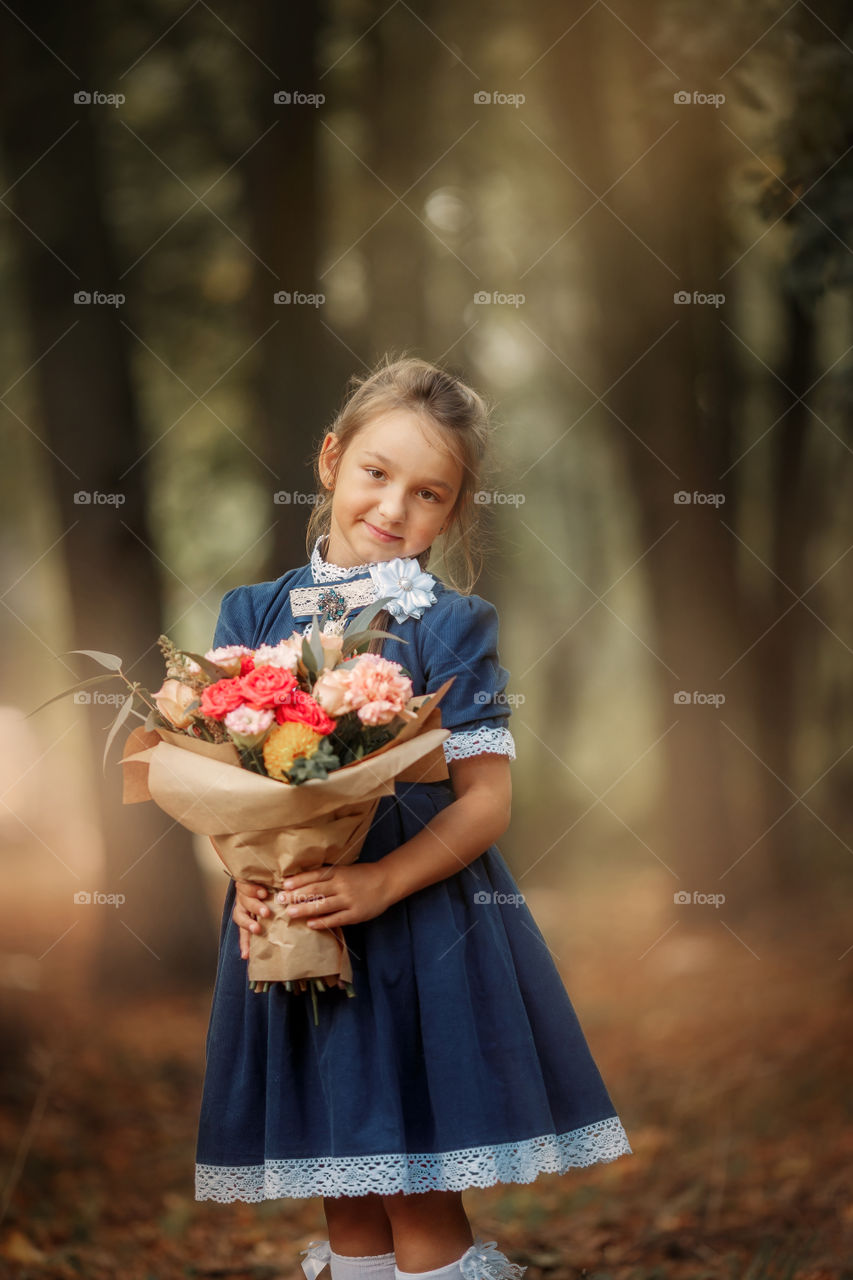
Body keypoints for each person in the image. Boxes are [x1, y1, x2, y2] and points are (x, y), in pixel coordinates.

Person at [195, 354, 633, 1280]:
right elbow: (230, 777)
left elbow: (486, 802)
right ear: (329, 461)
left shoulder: (451, 624)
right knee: (345, 1185)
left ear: (454, 511)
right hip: (298, 929)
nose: (393, 510)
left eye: (429, 494)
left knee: (414, 1187)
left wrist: (378, 879)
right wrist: (249, 877)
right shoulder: (252, 610)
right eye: (376, 474)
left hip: (416, 930)